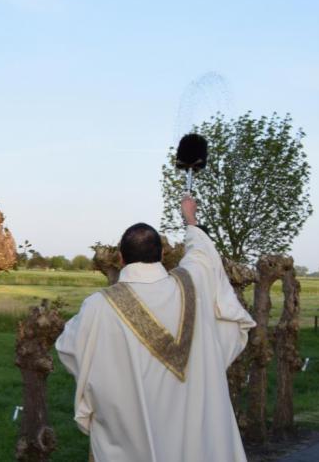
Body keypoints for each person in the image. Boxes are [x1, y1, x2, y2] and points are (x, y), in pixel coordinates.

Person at [56, 195, 256, 461]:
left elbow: (68, 348)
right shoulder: (192, 284)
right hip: (196, 434)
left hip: (135, 432)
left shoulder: (98, 307)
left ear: (120, 258)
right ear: (162, 254)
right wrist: (190, 221)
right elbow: (202, 257)